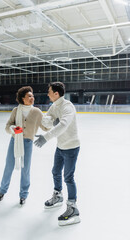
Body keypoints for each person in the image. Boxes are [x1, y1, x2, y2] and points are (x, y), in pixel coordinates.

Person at [34, 82, 80, 226]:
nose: (47, 94)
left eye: (49, 91)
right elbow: (48, 122)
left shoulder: (68, 106)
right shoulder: (54, 106)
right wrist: (43, 118)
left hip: (71, 147)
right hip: (60, 146)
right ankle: (58, 195)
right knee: (55, 171)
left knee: (68, 177)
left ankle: (73, 207)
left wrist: (46, 137)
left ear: (56, 93)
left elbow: (64, 124)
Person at [0, 86, 48, 205]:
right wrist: (13, 129)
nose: (32, 98)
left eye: (33, 96)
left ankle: (23, 194)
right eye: (29, 96)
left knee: (26, 170)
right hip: (15, 141)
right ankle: (2, 191)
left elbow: (45, 127)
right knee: (8, 166)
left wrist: (53, 121)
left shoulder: (36, 112)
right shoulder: (16, 110)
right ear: (23, 98)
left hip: (28, 143)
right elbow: (7, 126)